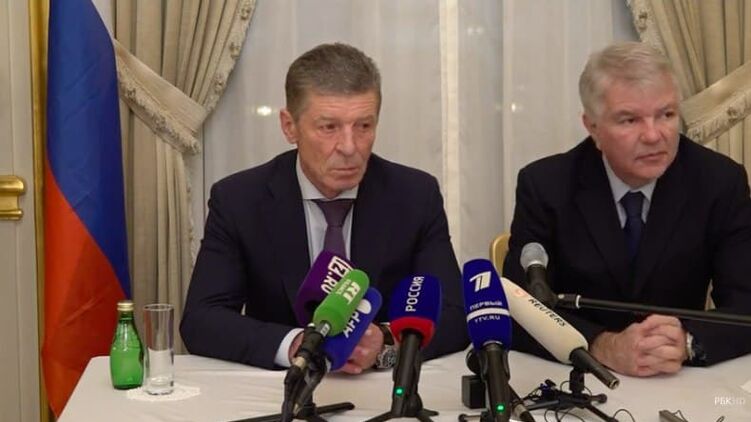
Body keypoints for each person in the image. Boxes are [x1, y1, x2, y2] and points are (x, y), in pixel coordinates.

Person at [181, 43, 468, 374]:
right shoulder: (240, 200)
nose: (349, 147)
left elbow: (455, 313)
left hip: (380, 388)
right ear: (290, 126)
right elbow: (202, 319)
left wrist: (387, 341)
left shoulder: (414, 196)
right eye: (329, 127)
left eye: (363, 126)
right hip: (279, 387)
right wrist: (295, 345)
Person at [503, 41, 751, 377]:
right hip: (581, 378)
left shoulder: (719, 181)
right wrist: (600, 345)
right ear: (592, 127)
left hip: (679, 378)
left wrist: (688, 341)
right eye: (630, 120)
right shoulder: (546, 185)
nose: (654, 135)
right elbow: (518, 309)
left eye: (666, 115)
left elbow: (746, 303)